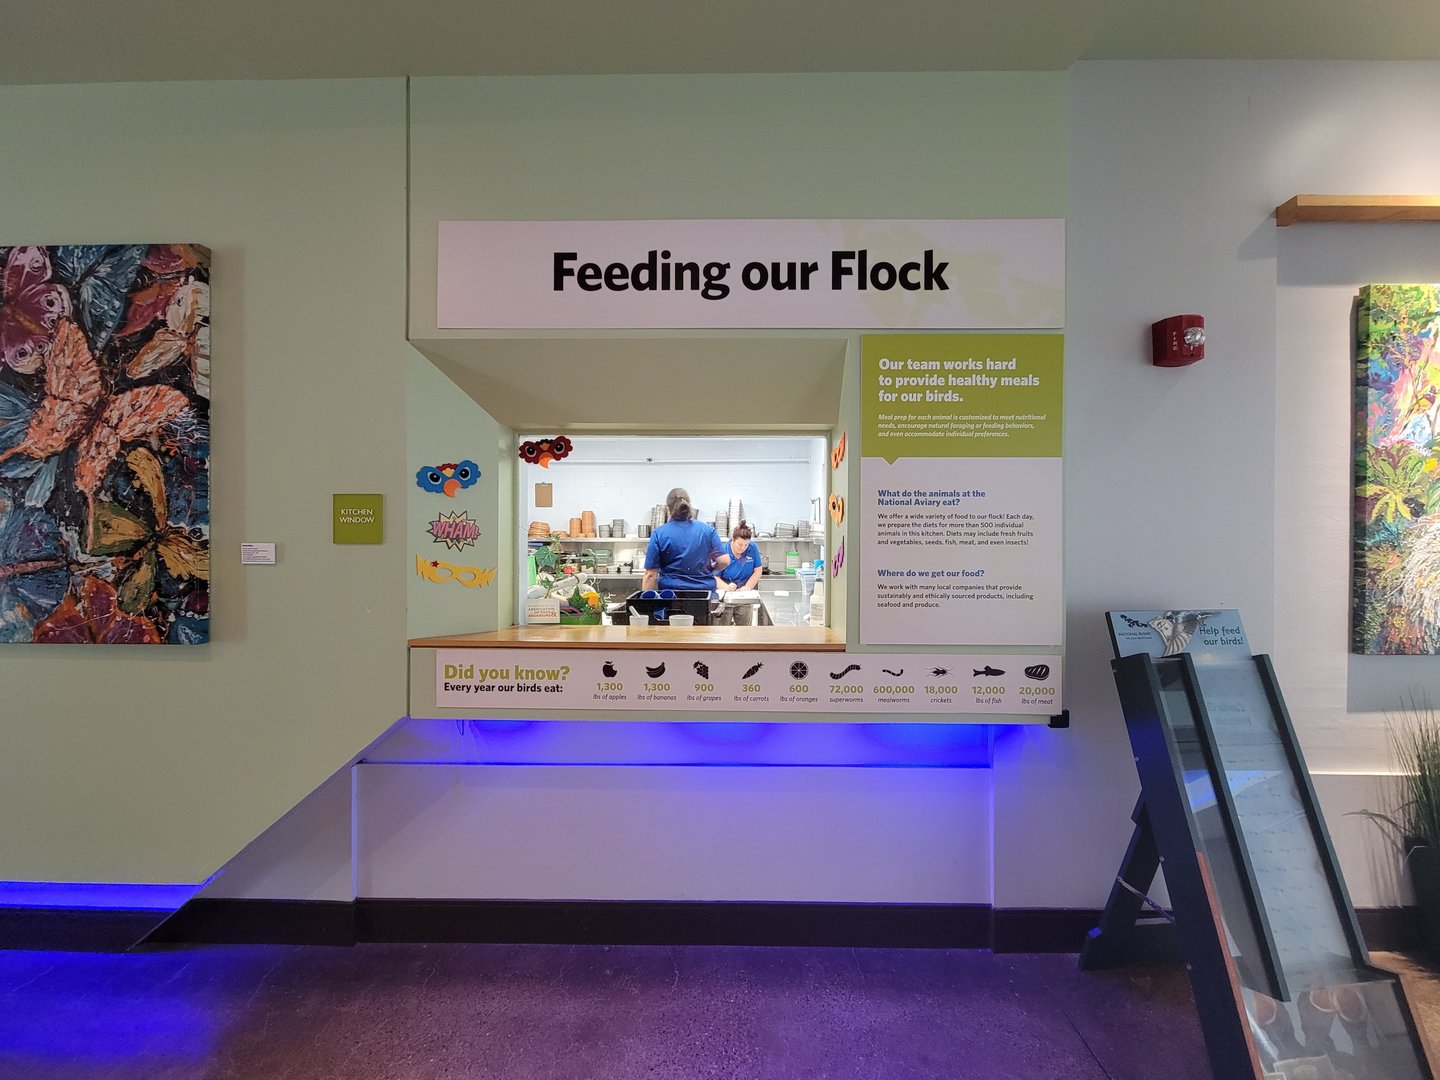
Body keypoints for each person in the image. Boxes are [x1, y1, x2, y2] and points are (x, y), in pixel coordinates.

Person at [642, 488, 730, 593]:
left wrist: (645, 600)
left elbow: (650, 575)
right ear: (689, 505)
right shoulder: (708, 530)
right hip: (704, 595)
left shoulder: (659, 534)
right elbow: (724, 561)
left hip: (672, 596)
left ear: (668, 509)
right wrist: (710, 569)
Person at [715, 521, 762, 594]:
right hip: (726, 591)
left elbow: (758, 571)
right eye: (740, 544)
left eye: (746, 545)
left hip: (747, 591)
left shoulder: (752, 547)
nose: (743, 548)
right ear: (733, 540)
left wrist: (747, 587)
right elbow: (715, 577)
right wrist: (727, 587)